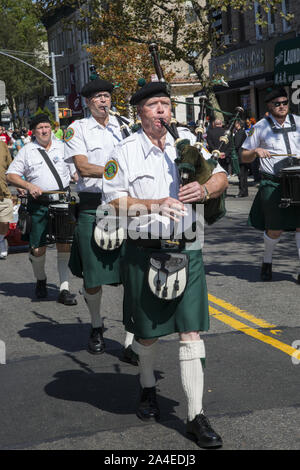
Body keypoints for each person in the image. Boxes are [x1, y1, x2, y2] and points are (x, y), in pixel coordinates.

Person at [102, 81, 228, 448]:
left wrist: (205, 190)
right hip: (144, 251)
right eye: (155, 105)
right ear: (140, 112)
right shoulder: (123, 151)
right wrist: (156, 203)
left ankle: (195, 415)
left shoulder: (187, 143)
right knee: (148, 333)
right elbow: (113, 203)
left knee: (191, 332)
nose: (162, 111)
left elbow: (220, 176)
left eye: (166, 105)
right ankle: (146, 387)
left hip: (188, 248)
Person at [64, 77, 136, 361]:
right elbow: (82, 166)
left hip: (125, 206)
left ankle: (131, 339)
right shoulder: (77, 129)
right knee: (94, 276)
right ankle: (96, 326)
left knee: (132, 273)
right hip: (93, 205)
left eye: (107, 96)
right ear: (88, 102)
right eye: (98, 97)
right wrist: (115, 172)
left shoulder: (124, 126)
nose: (104, 101)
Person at [6, 113, 77, 304]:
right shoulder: (27, 150)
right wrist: (29, 186)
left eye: (46, 127)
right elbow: (11, 174)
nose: (44, 131)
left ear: (51, 129)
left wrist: (76, 175)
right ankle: (41, 279)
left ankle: (64, 289)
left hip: (62, 201)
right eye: (40, 128)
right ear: (34, 132)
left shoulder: (63, 147)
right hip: (39, 204)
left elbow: (73, 171)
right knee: (38, 249)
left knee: (64, 245)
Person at [241, 87, 300, 283]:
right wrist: (256, 150)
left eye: (285, 103)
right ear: (269, 106)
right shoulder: (259, 127)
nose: (282, 106)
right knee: (275, 228)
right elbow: (244, 156)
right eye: (277, 104)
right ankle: (267, 262)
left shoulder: (299, 123)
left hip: (298, 181)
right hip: (273, 182)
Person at [0, 141, 14, 259]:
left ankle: (0, 240)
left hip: (3, 192)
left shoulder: (3, 146)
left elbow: (12, 168)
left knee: (4, 222)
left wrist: (20, 185)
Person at [233, 120, 249, 197]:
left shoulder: (239, 133)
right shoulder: (242, 132)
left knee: (241, 176)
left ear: (238, 124)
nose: (234, 125)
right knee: (244, 176)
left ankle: (242, 192)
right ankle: (245, 191)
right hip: (243, 156)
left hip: (240, 157)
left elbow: (236, 144)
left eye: (235, 123)